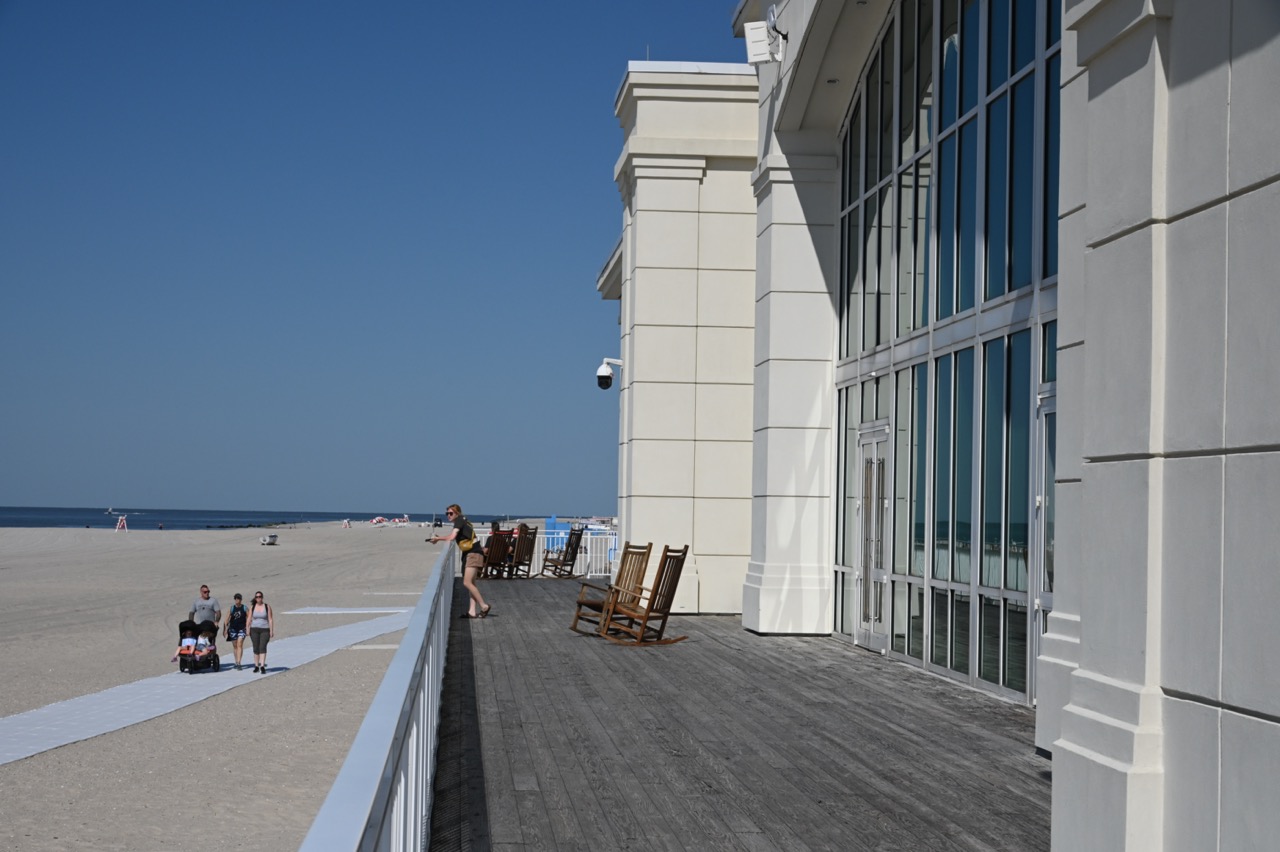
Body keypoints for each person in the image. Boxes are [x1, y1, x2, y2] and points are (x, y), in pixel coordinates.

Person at [428, 504, 490, 619]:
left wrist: (438, 538)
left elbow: (452, 537)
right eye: (447, 513)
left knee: (467, 582)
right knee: (472, 584)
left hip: (473, 554)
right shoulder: (463, 521)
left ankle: (484, 606)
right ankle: (472, 611)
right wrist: (439, 538)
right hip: (473, 553)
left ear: (457, 513)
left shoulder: (459, 521)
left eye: (451, 513)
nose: (448, 515)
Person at [248, 591, 274, 674]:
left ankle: (262, 666)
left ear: (262, 597)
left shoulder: (267, 607)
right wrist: (247, 628)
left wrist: (271, 630)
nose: (258, 598)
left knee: (262, 647)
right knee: (256, 647)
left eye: (260, 597)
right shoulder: (252, 607)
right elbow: (249, 618)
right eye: (257, 597)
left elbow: (270, 619)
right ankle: (256, 666)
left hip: (265, 629)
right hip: (254, 629)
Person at [224, 593, 249, 670]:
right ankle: (236, 661)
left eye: (239, 599)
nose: (237, 600)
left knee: (240, 644)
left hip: (242, 628)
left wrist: (248, 627)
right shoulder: (232, 608)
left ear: (241, 600)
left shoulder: (244, 608)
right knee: (235, 646)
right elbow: (226, 619)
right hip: (233, 629)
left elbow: (249, 617)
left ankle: (239, 662)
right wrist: (225, 629)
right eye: (236, 598)